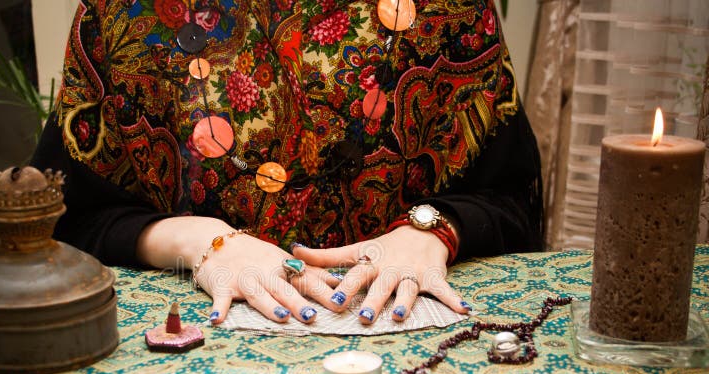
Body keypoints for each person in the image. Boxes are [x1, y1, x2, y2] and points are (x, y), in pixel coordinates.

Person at [31, 0, 543, 326]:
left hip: (405, 340)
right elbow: (66, 219)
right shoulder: (123, 15)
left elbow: (509, 199)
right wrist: (201, 242)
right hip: (200, 351)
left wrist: (428, 232)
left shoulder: (447, 9)